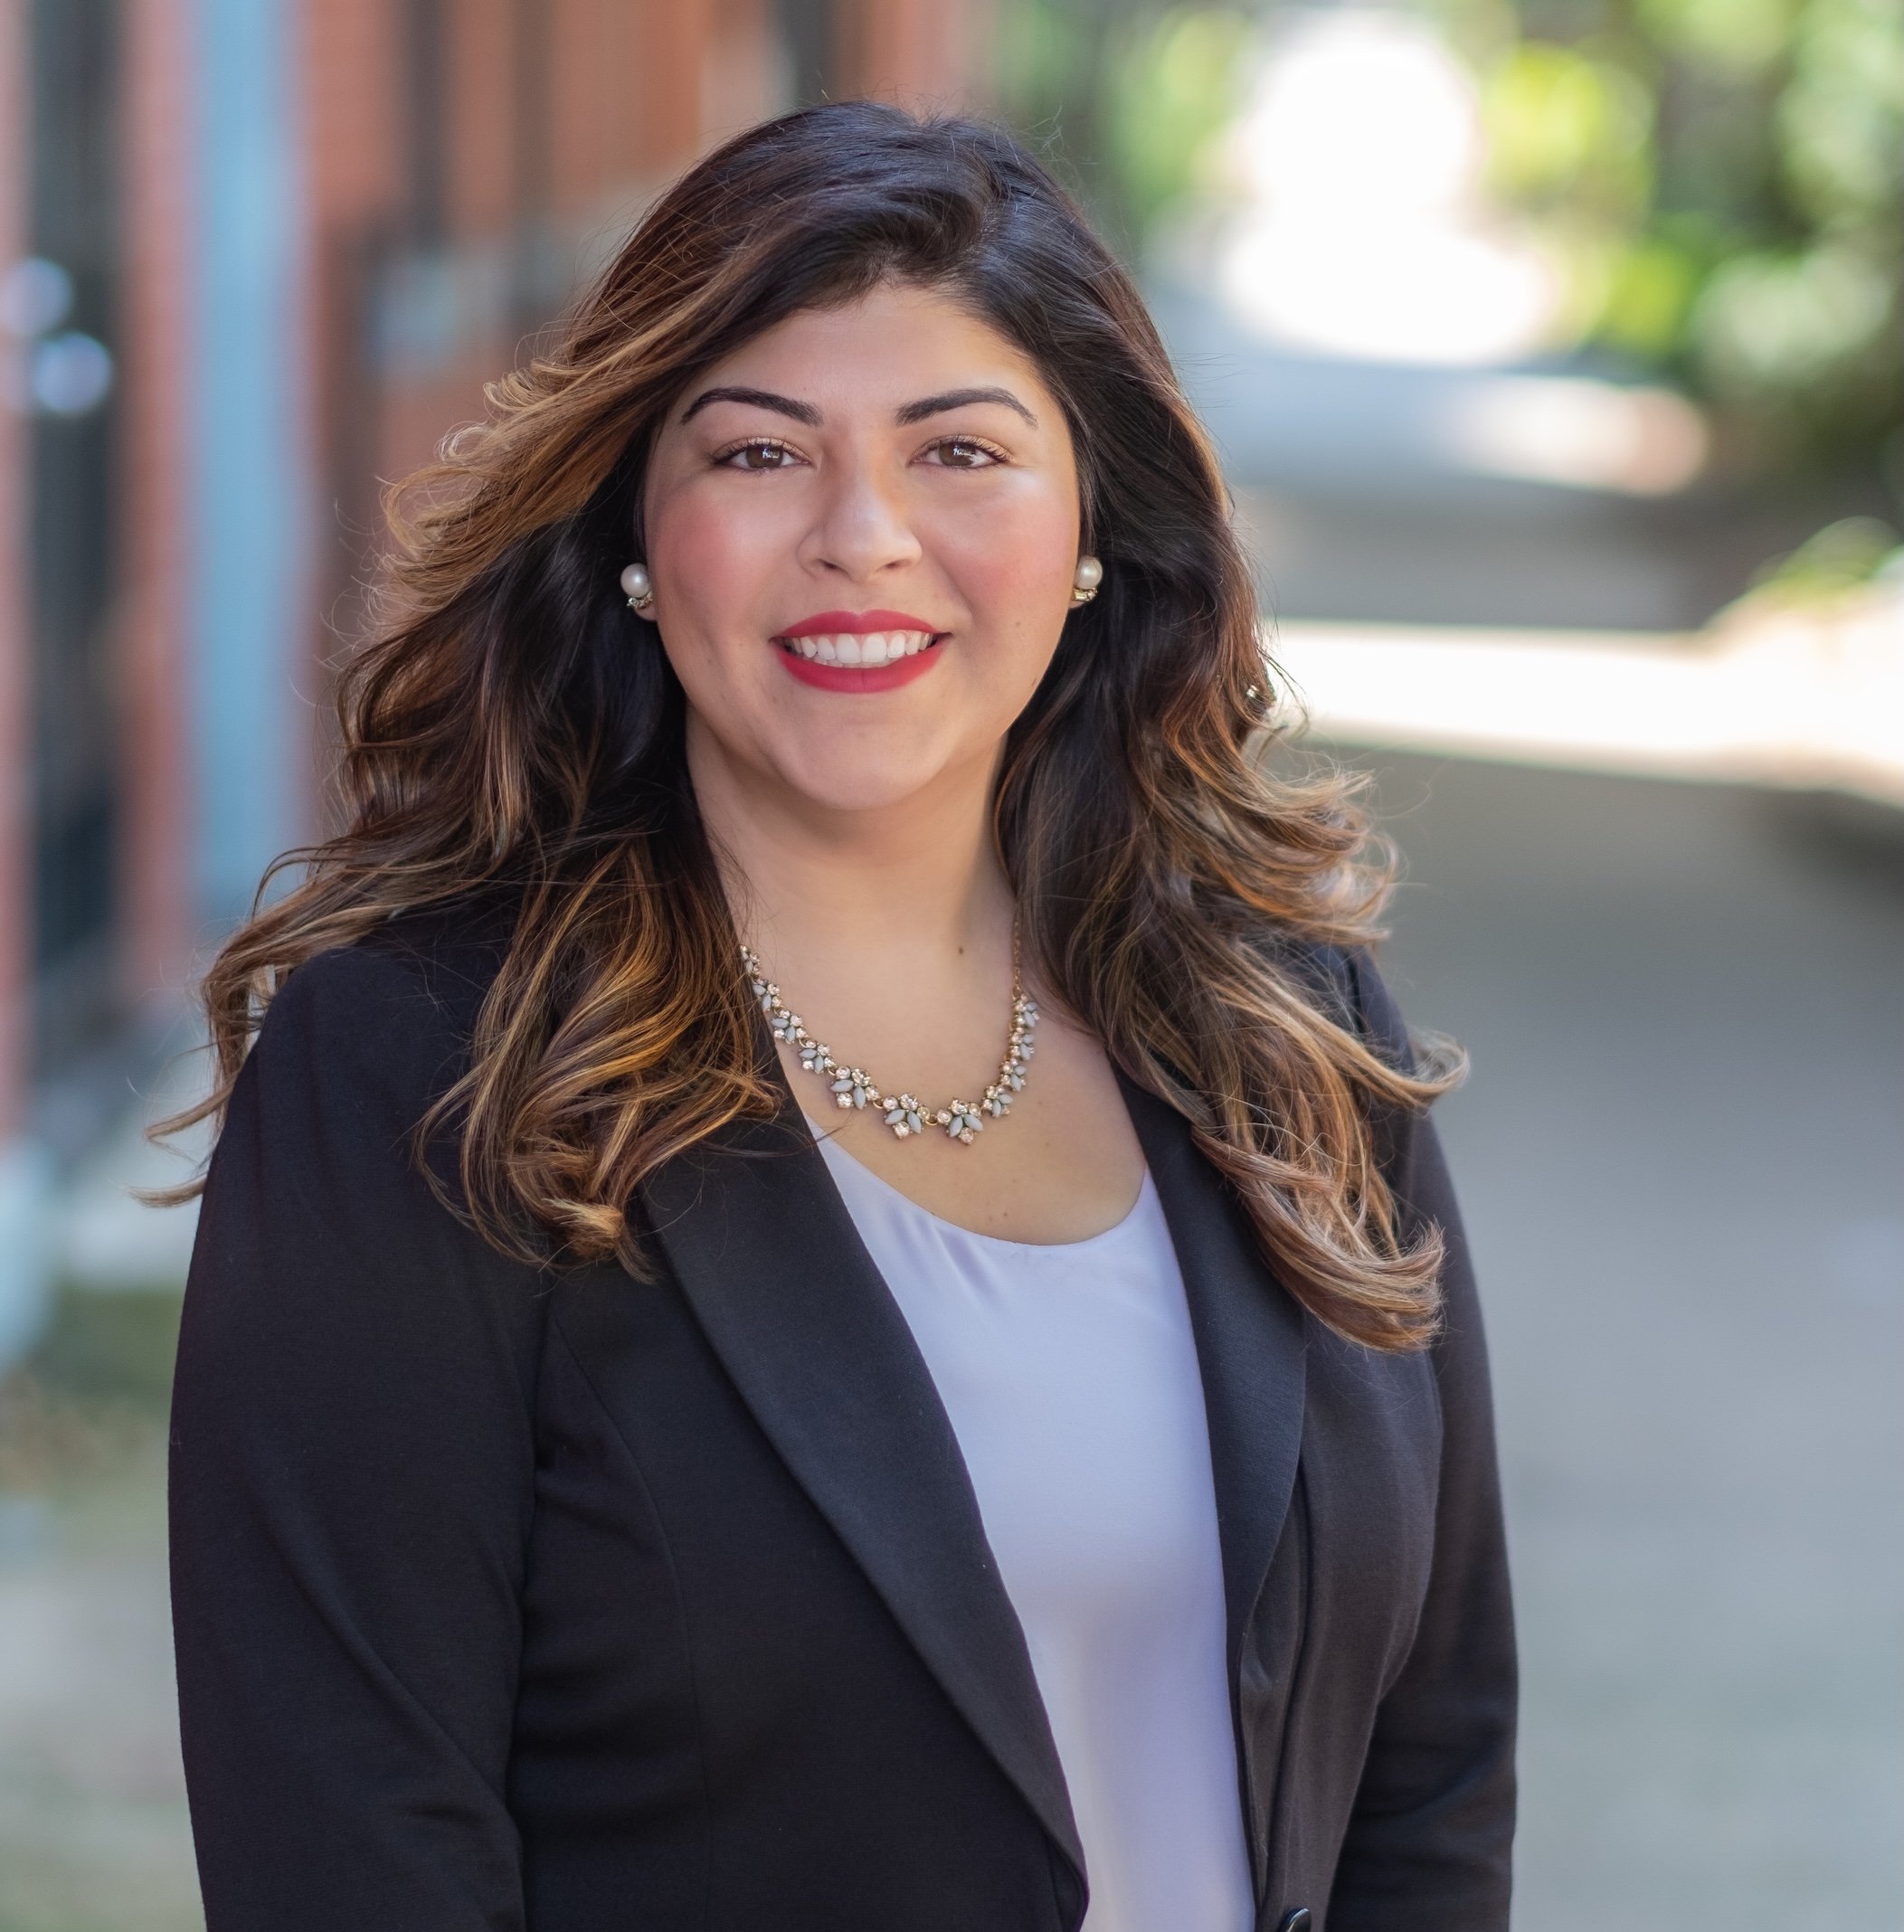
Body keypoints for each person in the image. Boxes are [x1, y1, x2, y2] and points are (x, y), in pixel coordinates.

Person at [164, 102, 1514, 1932]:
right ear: (639, 533)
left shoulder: (1294, 1042)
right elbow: (351, 1846)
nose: (864, 537)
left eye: (962, 450)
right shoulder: (424, 1078)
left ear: (1095, 532)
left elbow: (1429, 1774)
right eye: (759, 455)